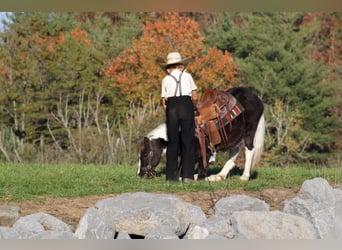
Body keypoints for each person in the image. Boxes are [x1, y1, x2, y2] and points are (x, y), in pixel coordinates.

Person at [160, 52, 198, 183]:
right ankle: (188, 175)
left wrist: (169, 110)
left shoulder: (165, 80)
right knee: (188, 140)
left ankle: (171, 176)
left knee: (173, 141)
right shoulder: (187, 76)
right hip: (186, 105)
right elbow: (195, 96)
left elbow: (164, 101)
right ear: (180, 66)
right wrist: (193, 107)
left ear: (169, 67)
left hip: (172, 107)